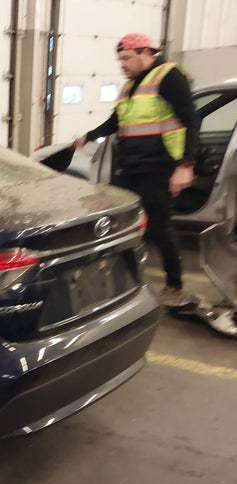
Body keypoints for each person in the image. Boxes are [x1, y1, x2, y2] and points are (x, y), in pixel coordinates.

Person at [74, 32, 198, 307]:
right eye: (120, 59)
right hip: (132, 166)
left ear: (146, 53)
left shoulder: (168, 76)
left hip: (159, 166)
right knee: (126, 224)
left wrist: (185, 166)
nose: (123, 64)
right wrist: (89, 137)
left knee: (160, 227)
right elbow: (116, 121)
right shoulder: (129, 86)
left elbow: (191, 120)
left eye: (127, 58)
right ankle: (124, 280)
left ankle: (174, 285)